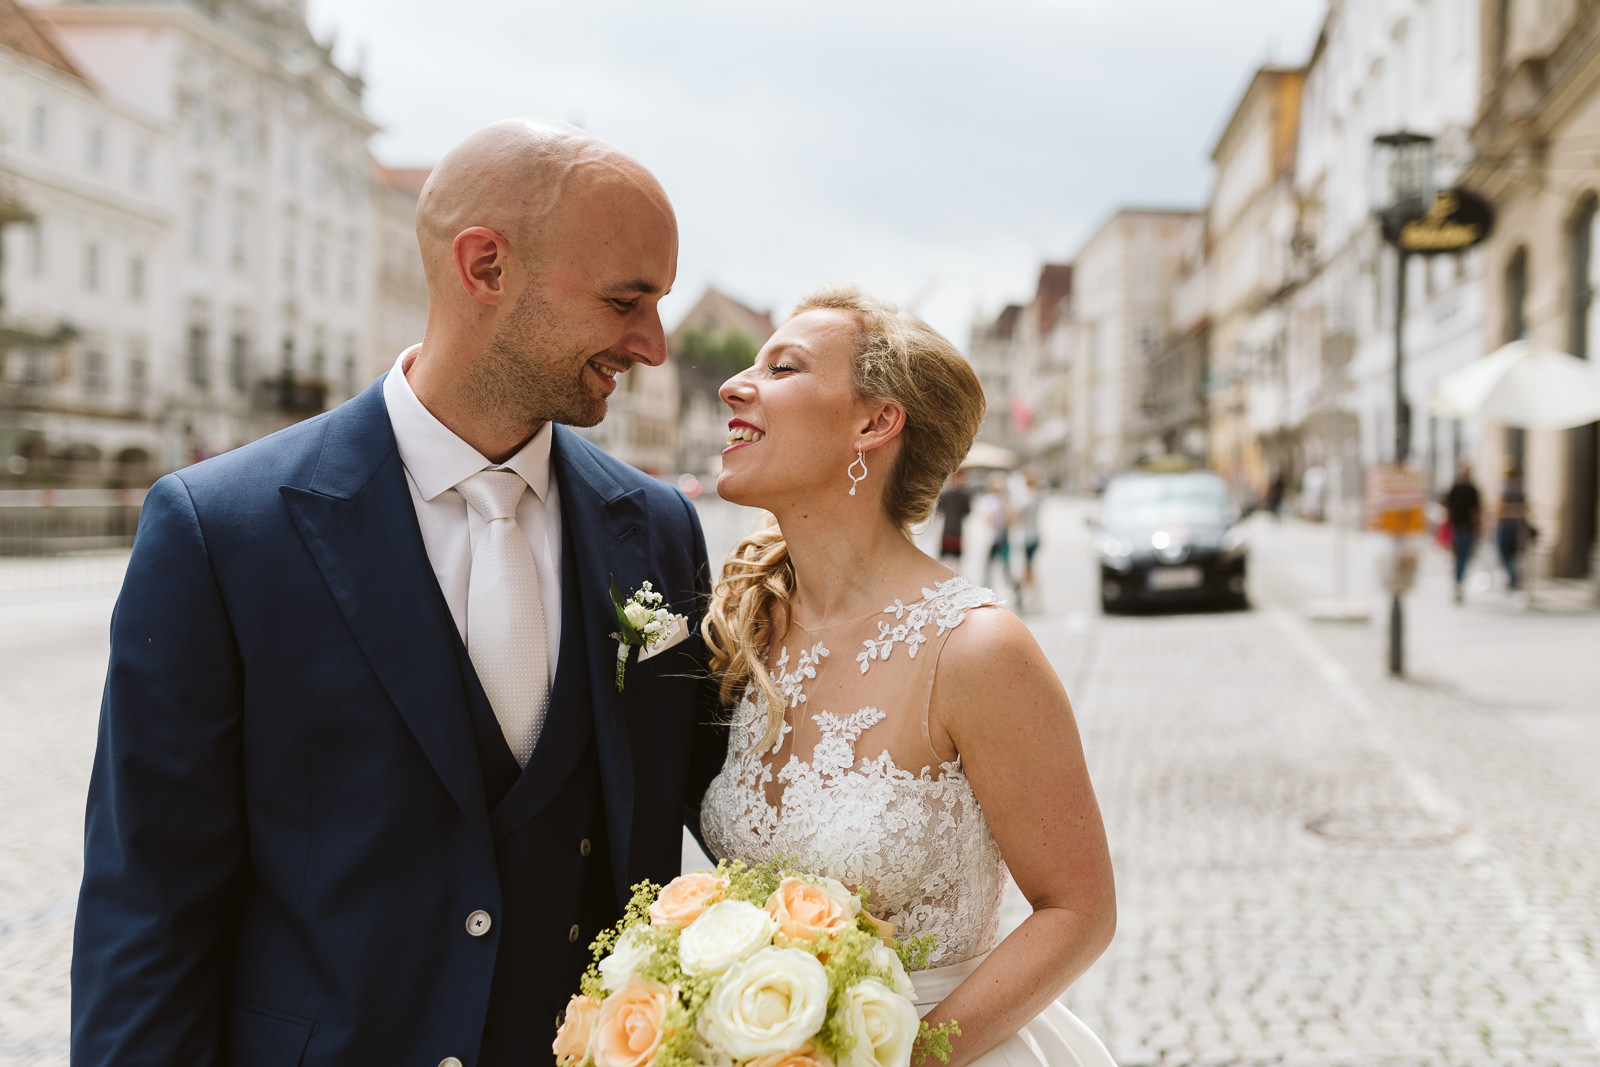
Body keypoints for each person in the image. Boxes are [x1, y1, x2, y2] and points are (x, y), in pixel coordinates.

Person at [70, 119, 726, 1065]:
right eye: (628, 300)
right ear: (485, 267)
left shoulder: (659, 529)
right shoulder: (223, 531)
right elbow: (149, 905)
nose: (656, 344)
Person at [701, 287, 1117, 1067]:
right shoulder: (748, 628)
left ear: (874, 421)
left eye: (782, 367)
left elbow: (1080, 909)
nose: (734, 385)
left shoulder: (976, 649)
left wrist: (903, 1058)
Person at [1443, 462, 1482, 603]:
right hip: (1460, 527)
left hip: (1463, 527)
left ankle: (1458, 582)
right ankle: (1458, 581)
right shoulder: (1462, 489)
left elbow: (1475, 511)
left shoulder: (1468, 489)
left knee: (1461, 556)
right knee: (1462, 557)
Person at [1013, 467, 1045, 608]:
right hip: (1035, 535)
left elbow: (1017, 516)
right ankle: (1030, 596)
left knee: (1028, 569)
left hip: (1028, 537)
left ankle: (1028, 596)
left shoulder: (1027, 498)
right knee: (1029, 568)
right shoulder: (1037, 496)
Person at [1497, 466, 1530, 592]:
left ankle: (1513, 577)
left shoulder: (1505, 488)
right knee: (1515, 554)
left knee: (1503, 550)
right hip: (1518, 525)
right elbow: (1525, 507)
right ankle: (1514, 576)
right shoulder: (1520, 488)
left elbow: (1499, 507)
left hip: (1506, 524)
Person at [937, 469, 974, 565]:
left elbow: (939, 511)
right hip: (955, 530)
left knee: (945, 560)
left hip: (948, 530)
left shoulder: (946, 494)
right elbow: (967, 512)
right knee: (954, 561)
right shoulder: (964, 496)